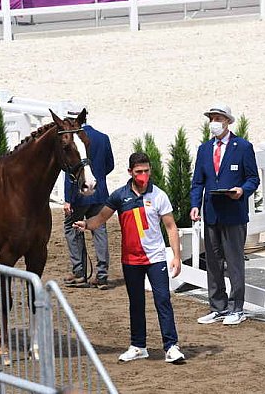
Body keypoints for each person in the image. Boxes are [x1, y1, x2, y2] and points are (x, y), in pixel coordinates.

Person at [74, 152, 185, 364]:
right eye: (138, 172)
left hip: (155, 259)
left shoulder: (159, 195)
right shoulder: (119, 196)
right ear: (130, 172)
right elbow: (101, 217)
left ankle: (171, 346)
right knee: (136, 303)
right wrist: (86, 225)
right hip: (131, 260)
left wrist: (176, 257)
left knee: (163, 300)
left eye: (146, 171)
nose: (143, 175)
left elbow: (171, 227)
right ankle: (138, 346)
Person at [190, 104, 260, 326]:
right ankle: (217, 306)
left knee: (234, 262)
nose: (214, 122)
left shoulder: (243, 147)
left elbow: (252, 178)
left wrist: (242, 190)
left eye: (218, 118)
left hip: (234, 213)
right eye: (212, 118)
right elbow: (198, 181)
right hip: (211, 213)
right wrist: (194, 205)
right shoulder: (204, 149)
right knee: (213, 261)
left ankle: (236, 307)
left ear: (228, 121)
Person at [63, 122, 114, 290]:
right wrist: (97, 176)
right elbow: (110, 165)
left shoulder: (70, 138)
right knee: (100, 230)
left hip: (79, 194)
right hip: (99, 191)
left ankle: (79, 273)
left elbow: (71, 170)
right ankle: (102, 275)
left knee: (72, 228)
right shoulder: (103, 137)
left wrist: (68, 198)